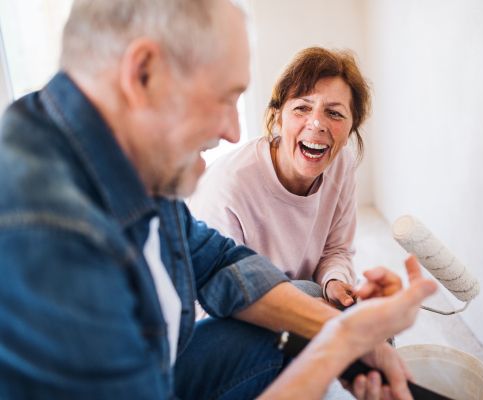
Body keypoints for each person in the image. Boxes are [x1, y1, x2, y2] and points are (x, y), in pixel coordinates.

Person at [0, 1, 437, 400]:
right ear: (143, 74)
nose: (232, 130)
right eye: (225, 97)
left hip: (164, 365)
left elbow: (216, 262)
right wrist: (335, 347)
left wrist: (348, 330)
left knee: (301, 310)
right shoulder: (49, 234)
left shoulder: (131, 161)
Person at [188, 47, 369, 307]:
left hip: (285, 301)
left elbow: (335, 251)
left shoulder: (341, 163)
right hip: (221, 319)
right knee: (307, 292)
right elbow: (213, 300)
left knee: (363, 312)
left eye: (335, 113)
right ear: (278, 119)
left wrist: (334, 281)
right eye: (302, 108)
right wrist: (311, 315)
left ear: (351, 127)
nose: (316, 123)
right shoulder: (229, 186)